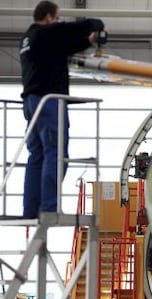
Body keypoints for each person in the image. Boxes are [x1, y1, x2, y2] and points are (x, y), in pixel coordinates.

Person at [19, 0, 105, 218]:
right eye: (56, 18)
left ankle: (30, 210)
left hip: (31, 102)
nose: (57, 22)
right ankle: (49, 207)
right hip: (48, 102)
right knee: (55, 153)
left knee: (36, 155)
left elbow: (64, 47)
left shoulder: (28, 38)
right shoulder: (45, 33)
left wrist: (89, 41)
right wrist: (96, 24)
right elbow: (71, 29)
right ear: (48, 17)